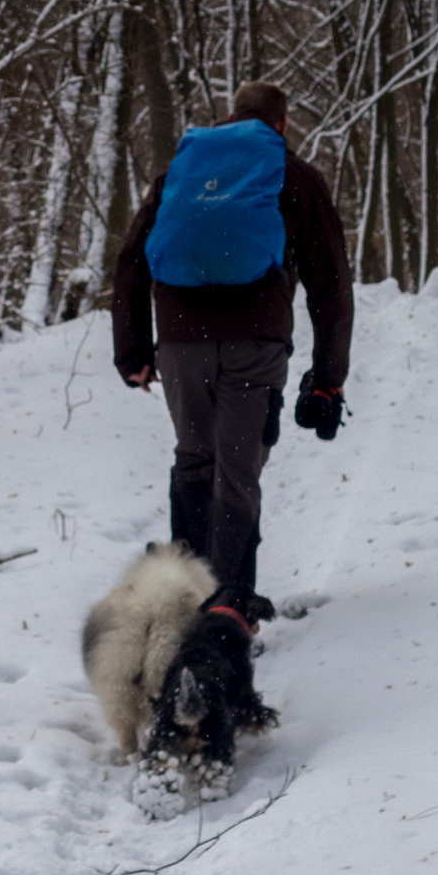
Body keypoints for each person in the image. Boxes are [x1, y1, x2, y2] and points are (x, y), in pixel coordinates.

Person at [110, 80, 353, 615]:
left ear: (231, 115)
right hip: (255, 339)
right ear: (283, 125)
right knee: (237, 474)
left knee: (194, 460)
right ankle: (230, 611)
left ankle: (190, 605)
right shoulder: (295, 175)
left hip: (178, 341)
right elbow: (331, 284)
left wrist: (132, 353)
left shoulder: (180, 173)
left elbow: (131, 260)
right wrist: (328, 376)